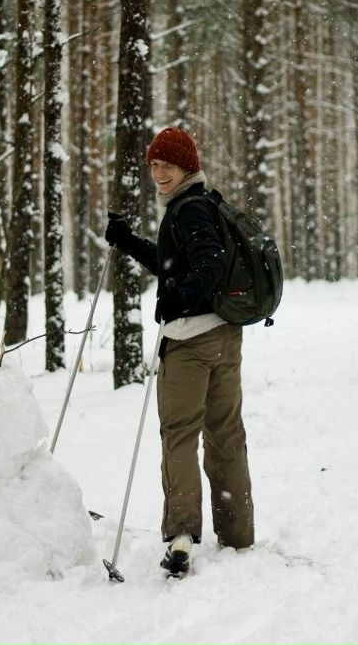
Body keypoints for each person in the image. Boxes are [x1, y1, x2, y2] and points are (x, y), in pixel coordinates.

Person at [103, 126, 254, 577]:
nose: (159, 172)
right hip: (226, 337)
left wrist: (180, 299)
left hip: (190, 343)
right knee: (226, 435)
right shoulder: (203, 203)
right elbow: (177, 264)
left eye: (167, 164)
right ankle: (238, 535)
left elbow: (205, 262)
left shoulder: (188, 211)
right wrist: (130, 243)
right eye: (153, 165)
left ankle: (182, 535)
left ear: (186, 165)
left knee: (179, 436)